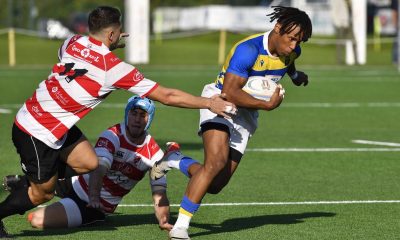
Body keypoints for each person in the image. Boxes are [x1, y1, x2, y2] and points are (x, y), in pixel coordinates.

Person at [0, 6, 235, 238]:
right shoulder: (113, 68)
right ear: (112, 34)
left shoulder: (72, 42)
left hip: (44, 120)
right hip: (36, 131)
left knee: (89, 162)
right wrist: (208, 103)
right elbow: (167, 96)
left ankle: (37, 177)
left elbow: (67, 59)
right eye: (117, 31)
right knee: (43, 195)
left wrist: (103, 48)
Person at [151, 6, 312, 239]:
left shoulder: (292, 51)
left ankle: (175, 159)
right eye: (292, 38)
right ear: (277, 28)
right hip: (220, 102)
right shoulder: (248, 50)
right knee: (215, 162)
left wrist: (296, 77)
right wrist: (267, 105)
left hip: (246, 116)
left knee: (215, 184)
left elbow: (289, 62)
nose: (295, 45)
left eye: (300, 41)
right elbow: (231, 91)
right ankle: (180, 227)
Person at [4, 96, 172, 230]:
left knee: (36, 220)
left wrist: (163, 220)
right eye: (133, 113)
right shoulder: (112, 134)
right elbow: (100, 167)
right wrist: (94, 195)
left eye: (142, 115)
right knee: (45, 182)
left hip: (94, 206)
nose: (137, 119)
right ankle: (26, 182)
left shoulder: (155, 154)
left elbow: (159, 191)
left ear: (149, 119)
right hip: (77, 183)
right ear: (127, 114)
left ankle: (25, 184)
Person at [391, 0, 399, 64]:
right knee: (397, 42)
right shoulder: (395, 1)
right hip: (398, 25)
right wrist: (395, 24)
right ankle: (395, 60)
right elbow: (394, 12)